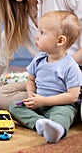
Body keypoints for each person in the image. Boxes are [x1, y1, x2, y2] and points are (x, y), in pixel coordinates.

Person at [9, 10, 82, 144]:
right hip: (39, 103)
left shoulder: (70, 66)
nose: (37, 37)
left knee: (62, 115)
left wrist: (45, 101)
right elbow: (31, 79)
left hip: (61, 105)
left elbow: (72, 96)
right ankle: (39, 124)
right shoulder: (39, 59)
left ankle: (56, 131)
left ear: (60, 40)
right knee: (14, 107)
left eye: (42, 33)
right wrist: (31, 94)